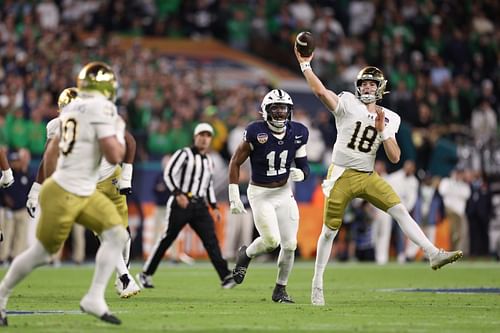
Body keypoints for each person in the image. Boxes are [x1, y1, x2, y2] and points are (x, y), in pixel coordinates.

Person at [294, 47, 463, 306]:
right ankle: (317, 283)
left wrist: (383, 132)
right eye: (364, 83)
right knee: (329, 232)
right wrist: (306, 66)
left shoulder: (390, 117)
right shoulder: (348, 102)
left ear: (381, 88)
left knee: (400, 210)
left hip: (368, 174)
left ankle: (432, 253)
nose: (368, 87)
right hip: (341, 174)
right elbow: (320, 92)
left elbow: (394, 157)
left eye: (372, 84)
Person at [0, 61, 129, 326]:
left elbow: (50, 153)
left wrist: (41, 187)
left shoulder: (70, 110)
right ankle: (1, 295)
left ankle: (94, 297)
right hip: (67, 191)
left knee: (116, 233)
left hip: (79, 189)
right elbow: (114, 154)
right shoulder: (101, 109)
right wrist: (117, 133)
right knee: (41, 254)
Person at [25, 86, 140, 298]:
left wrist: (126, 176)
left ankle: (123, 275)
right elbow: (47, 160)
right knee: (107, 232)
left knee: (123, 234)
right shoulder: (56, 126)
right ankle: (124, 278)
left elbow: (130, 141)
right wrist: (36, 190)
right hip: (86, 183)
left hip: (110, 177)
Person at [229, 89, 310, 303]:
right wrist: (234, 194)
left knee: (290, 244)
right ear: (266, 110)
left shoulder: (299, 132)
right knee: (271, 241)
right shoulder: (255, 131)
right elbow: (235, 162)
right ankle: (245, 255)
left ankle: (280, 289)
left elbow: (304, 166)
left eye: (283, 108)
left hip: (284, 193)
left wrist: (301, 173)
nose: (280, 112)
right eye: (275, 108)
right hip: (260, 193)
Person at [137, 123, 236, 289]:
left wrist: (214, 206)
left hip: (200, 206)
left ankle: (225, 276)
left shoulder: (209, 160)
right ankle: (145, 273)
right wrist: (177, 194)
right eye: (201, 135)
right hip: (181, 204)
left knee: (211, 241)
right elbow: (168, 173)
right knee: (167, 239)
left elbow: (208, 185)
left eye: (207, 136)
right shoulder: (184, 154)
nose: (204, 139)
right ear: (195, 137)